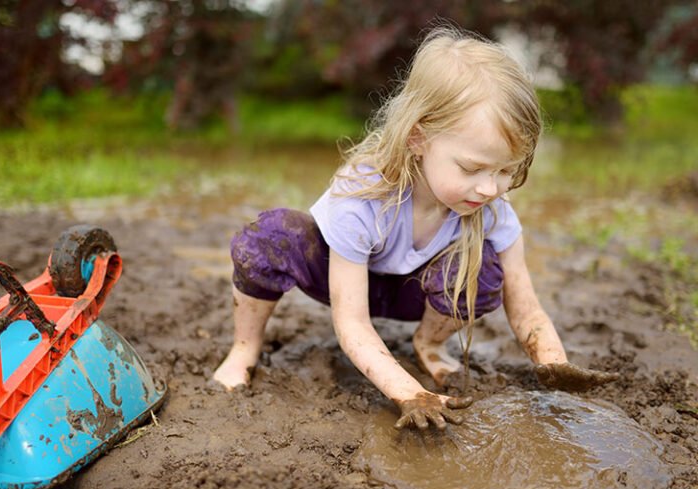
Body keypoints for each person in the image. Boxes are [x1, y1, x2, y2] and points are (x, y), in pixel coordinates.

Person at [212, 26, 618, 430]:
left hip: (415, 295)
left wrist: (553, 362)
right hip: (344, 284)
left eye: (507, 170)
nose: (490, 187)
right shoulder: (362, 197)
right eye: (472, 168)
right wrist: (409, 393)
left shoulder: (491, 206)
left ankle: (428, 342)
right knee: (270, 235)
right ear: (418, 138)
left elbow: (524, 301)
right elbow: (351, 323)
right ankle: (244, 349)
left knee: (485, 267)